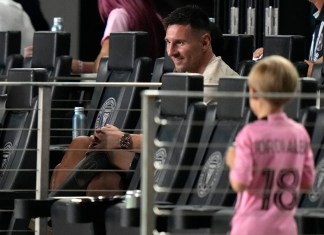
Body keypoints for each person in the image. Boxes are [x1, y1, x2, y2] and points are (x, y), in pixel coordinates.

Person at [50, 5, 238, 196]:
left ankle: (48, 212)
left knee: (88, 150)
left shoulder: (213, 84)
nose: (171, 52)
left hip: (179, 165)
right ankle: (53, 216)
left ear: (205, 43)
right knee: (101, 175)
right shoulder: (184, 75)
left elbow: (179, 140)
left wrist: (123, 140)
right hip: (158, 154)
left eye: (179, 43)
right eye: (168, 42)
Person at [225, 55, 315, 235]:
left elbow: (240, 183)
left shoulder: (249, 134)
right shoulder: (300, 134)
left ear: (253, 92)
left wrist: (233, 161)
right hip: (285, 228)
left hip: (250, 227)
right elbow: (307, 183)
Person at [24, 0, 166, 74]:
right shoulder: (156, 17)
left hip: (120, 97)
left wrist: (76, 66)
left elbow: (102, 66)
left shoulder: (119, 16)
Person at [253, 0, 324, 77]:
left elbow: (314, 68)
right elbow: (314, 63)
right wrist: (272, 54)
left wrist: (314, 69)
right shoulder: (318, 17)